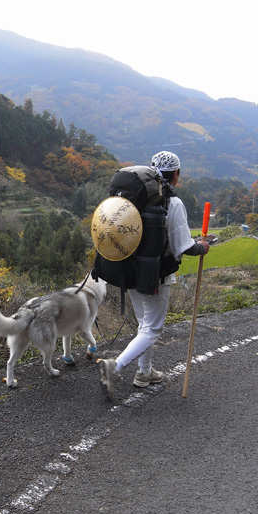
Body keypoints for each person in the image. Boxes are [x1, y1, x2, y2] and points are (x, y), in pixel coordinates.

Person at [97, 151, 210, 399]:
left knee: (144, 325)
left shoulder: (136, 199)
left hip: (129, 268)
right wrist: (203, 246)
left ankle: (144, 373)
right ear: (176, 174)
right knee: (153, 329)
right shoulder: (173, 203)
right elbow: (184, 247)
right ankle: (114, 368)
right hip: (154, 274)